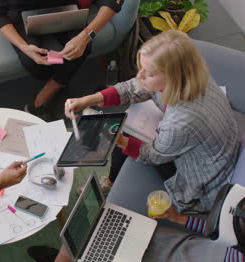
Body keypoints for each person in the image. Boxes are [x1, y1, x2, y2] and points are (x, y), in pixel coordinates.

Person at [65, 30, 240, 213]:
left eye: (148, 73)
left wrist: (118, 139)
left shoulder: (181, 124)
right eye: (141, 68)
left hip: (201, 179)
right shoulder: (193, 75)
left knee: (123, 135)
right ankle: (111, 180)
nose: (139, 76)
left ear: (172, 76)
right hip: (216, 148)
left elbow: (151, 156)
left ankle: (111, 181)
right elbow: (134, 87)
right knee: (125, 131)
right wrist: (88, 100)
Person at [29, 184, 245, 262]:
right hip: (167, 241)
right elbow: (214, 234)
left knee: (75, 248)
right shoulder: (239, 245)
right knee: (93, 229)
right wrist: (178, 218)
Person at [0, 0, 124, 121]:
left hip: (63, 5)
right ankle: (59, 81)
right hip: (20, 11)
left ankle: (46, 94)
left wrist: (86, 35)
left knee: (82, 47)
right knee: (32, 63)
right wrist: (23, 47)